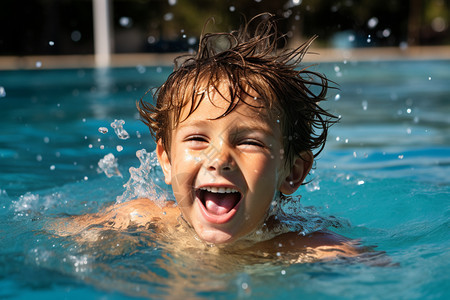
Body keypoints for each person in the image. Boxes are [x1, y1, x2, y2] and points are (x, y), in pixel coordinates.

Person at [54, 13, 362, 261]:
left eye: (249, 141)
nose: (219, 159)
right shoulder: (145, 219)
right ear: (166, 160)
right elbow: (56, 233)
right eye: (197, 139)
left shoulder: (307, 249)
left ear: (293, 172)